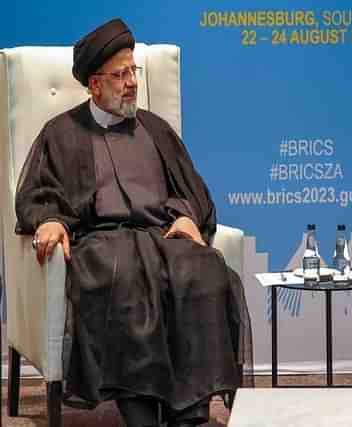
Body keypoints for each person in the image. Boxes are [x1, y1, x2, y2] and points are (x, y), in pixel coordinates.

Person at [15, 18, 252, 427]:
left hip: (161, 237)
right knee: (119, 280)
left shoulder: (156, 130)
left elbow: (193, 189)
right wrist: (50, 220)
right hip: (100, 242)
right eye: (120, 75)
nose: (131, 83)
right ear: (94, 85)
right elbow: (37, 193)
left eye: (133, 72)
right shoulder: (62, 133)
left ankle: (189, 412)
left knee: (203, 270)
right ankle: (140, 411)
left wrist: (188, 217)